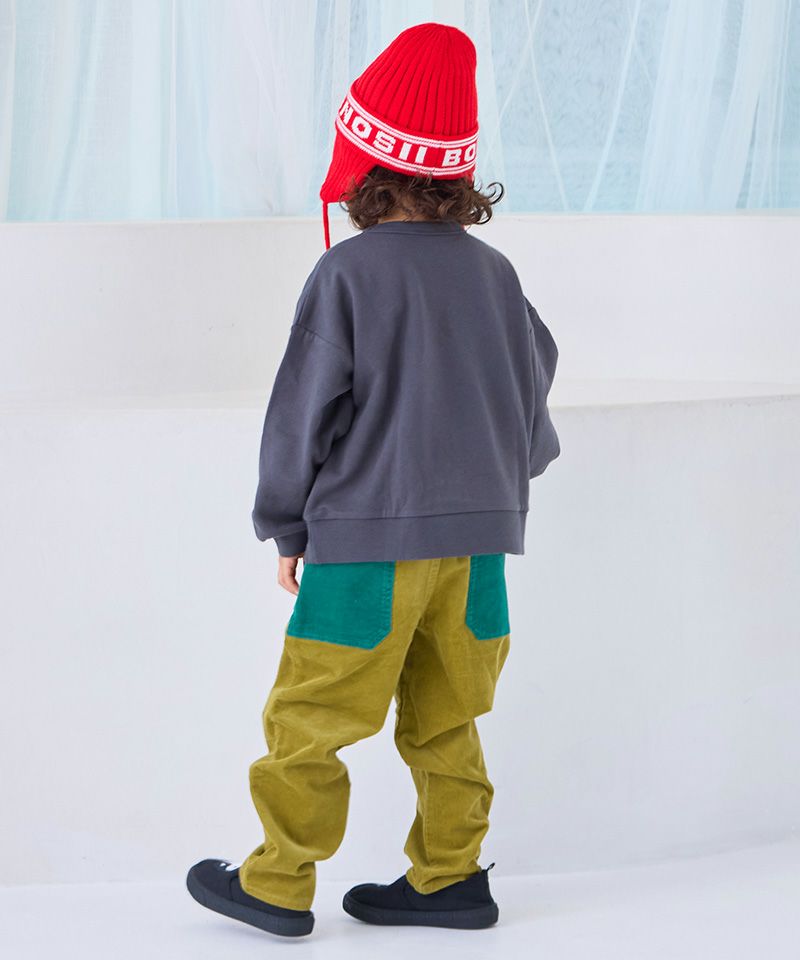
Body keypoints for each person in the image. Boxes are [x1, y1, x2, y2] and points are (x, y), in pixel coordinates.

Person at [186, 21, 560, 939]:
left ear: (366, 164)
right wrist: (498, 474)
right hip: (477, 552)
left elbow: (301, 412)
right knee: (448, 718)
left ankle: (278, 882)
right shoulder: (496, 274)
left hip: (365, 548)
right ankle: (451, 878)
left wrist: (287, 524)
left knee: (313, 713)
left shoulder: (347, 274)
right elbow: (534, 376)